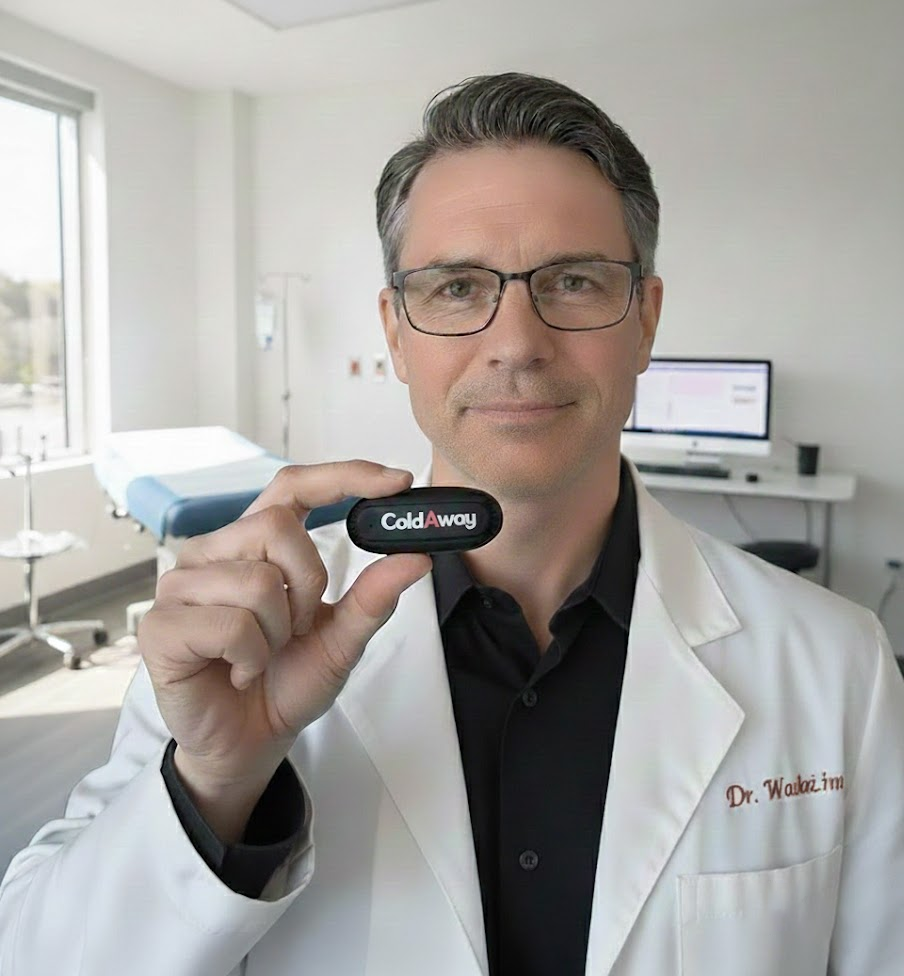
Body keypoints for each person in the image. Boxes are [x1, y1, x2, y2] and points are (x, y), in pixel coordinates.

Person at [1, 72, 903, 976]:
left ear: (646, 322)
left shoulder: (839, 665)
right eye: (458, 288)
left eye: (574, 281)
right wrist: (213, 786)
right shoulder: (244, 635)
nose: (516, 343)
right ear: (396, 332)